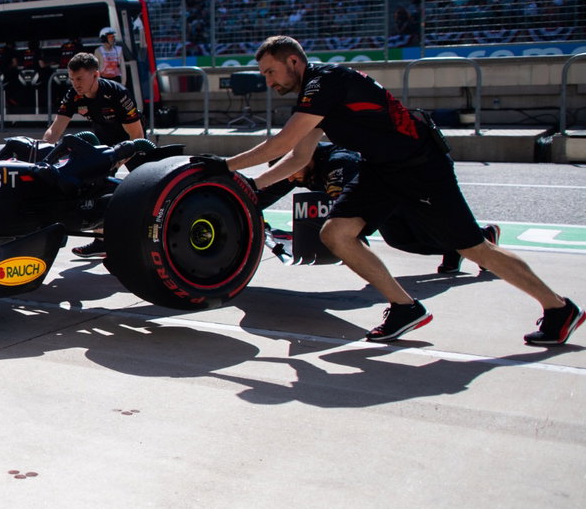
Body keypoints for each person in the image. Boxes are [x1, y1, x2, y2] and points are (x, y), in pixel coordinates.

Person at [220, 35, 580, 345]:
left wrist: (223, 167)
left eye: (270, 71)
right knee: (337, 233)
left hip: (420, 166)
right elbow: (299, 157)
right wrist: (248, 185)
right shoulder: (317, 93)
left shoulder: (324, 82)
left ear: (293, 61)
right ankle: (406, 308)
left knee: (475, 249)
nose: (267, 80)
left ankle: (559, 308)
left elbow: (281, 143)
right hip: (381, 168)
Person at [252, 140, 499, 274]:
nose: (290, 178)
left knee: (426, 231)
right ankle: (457, 249)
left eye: (290, 172)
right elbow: (261, 196)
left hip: (405, 188)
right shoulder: (297, 170)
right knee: (400, 240)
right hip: (379, 199)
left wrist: (346, 242)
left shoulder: (339, 163)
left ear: (303, 158)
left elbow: (345, 207)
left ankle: (483, 237)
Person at [41, 52, 145, 259]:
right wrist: (43, 150)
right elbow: (56, 129)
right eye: (72, 79)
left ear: (95, 75)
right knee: (94, 186)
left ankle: (142, 241)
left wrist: (118, 159)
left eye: (80, 79)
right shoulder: (74, 95)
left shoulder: (117, 93)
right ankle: (101, 241)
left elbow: (137, 134)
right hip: (103, 141)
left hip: (133, 142)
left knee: (144, 191)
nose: (75, 84)